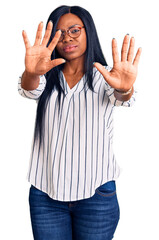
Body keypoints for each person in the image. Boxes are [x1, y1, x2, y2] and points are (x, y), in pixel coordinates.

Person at [18, 5, 141, 240]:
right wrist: (32, 73)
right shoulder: (45, 76)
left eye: (74, 30)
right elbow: (28, 89)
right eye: (60, 33)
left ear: (88, 32)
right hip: (46, 195)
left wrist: (125, 88)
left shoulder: (106, 76)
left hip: (97, 196)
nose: (67, 38)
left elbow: (123, 97)